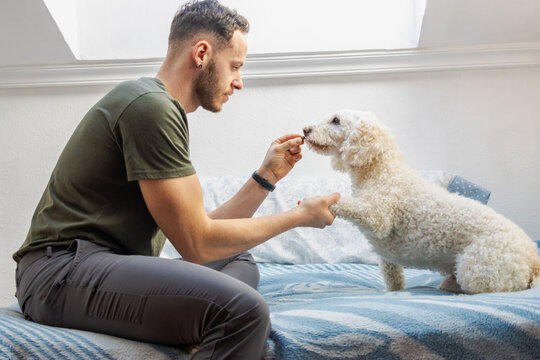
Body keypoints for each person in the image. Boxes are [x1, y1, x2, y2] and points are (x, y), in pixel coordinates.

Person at [13, 0, 339, 359]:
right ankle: (209, 324)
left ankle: (198, 329)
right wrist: (299, 218)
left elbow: (200, 233)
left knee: (238, 260)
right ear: (201, 52)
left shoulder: (158, 106)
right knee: (244, 311)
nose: (238, 82)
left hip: (90, 267)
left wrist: (265, 177)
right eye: (234, 66)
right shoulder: (149, 107)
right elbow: (197, 245)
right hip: (60, 274)